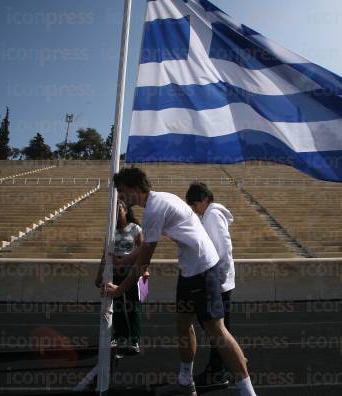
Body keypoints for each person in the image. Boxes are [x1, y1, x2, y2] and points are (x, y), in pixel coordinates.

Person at [101, 168, 256, 396]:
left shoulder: (154, 209)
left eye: (122, 191)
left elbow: (144, 263)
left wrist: (119, 290)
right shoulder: (161, 199)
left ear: (135, 188)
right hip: (189, 269)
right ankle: (185, 381)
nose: (120, 197)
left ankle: (248, 392)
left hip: (202, 269)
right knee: (183, 325)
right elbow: (144, 248)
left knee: (217, 331)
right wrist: (123, 260)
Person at [186, 182, 235, 390]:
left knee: (218, 331)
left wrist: (220, 279)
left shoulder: (213, 215)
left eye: (196, 204)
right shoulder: (209, 215)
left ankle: (219, 372)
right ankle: (221, 368)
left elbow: (223, 248)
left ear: (204, 199)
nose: (195, 209)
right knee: (219, 330)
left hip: (219, 283)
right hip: (219, 281)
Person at [95, 200, 147, 354]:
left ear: (126, 210)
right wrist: (99, 275)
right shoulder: (110, 231)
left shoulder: (135, 229)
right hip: (114, 270)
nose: (117, 212)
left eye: (120, 209)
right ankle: (119, 336)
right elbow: (105, 254)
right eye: (114, 209)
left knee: (132, 304)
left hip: (130, 269)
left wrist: (144, 270)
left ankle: (135, 339)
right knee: (116, 304)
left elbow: (144, 251)